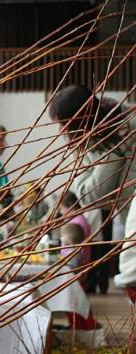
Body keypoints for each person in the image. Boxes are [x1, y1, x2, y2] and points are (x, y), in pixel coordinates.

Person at [48, 84, 134, 294]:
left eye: (63, 124)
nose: (61, 131)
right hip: (128, 217)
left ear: (78, 121)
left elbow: (91, 196)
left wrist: (112, 152)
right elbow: (90, 194)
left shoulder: (113, 134)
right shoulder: (98, 135)